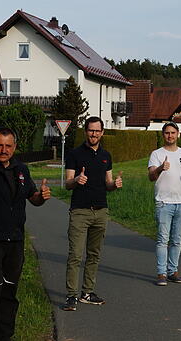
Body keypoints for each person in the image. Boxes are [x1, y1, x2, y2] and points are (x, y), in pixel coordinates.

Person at [0, 127, 51, 341]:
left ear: (15, 147)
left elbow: (33, 198)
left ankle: (4, 336)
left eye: (8, 146)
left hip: (15, 240)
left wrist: (42, 196)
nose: (4, 150)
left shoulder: (21, 169)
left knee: (9, 293)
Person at [62, 116, 123, 311]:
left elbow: (108, 183)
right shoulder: (74, 154)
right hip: (80, 211)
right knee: (75, 255)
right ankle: (71, 296)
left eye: (97, 131)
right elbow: (67, 183)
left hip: (101, 211)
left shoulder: (106, 155)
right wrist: (76, 179)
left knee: (94, 255)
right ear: (85, 131)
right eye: (91, 130)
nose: (94, 134)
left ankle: (87, 292)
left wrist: (115, 185)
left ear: (102, 133)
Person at [148, 122, 181, 286]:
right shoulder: (156, 154)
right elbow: (151, 177)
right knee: (163, 240)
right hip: (164, 202)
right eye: (167, 133)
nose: (170, 136)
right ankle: (161, 273)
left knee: (177, 240)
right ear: (163, 135)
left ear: (178, 134)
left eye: (173, 133)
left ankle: (173, 271)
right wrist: (160, 168)